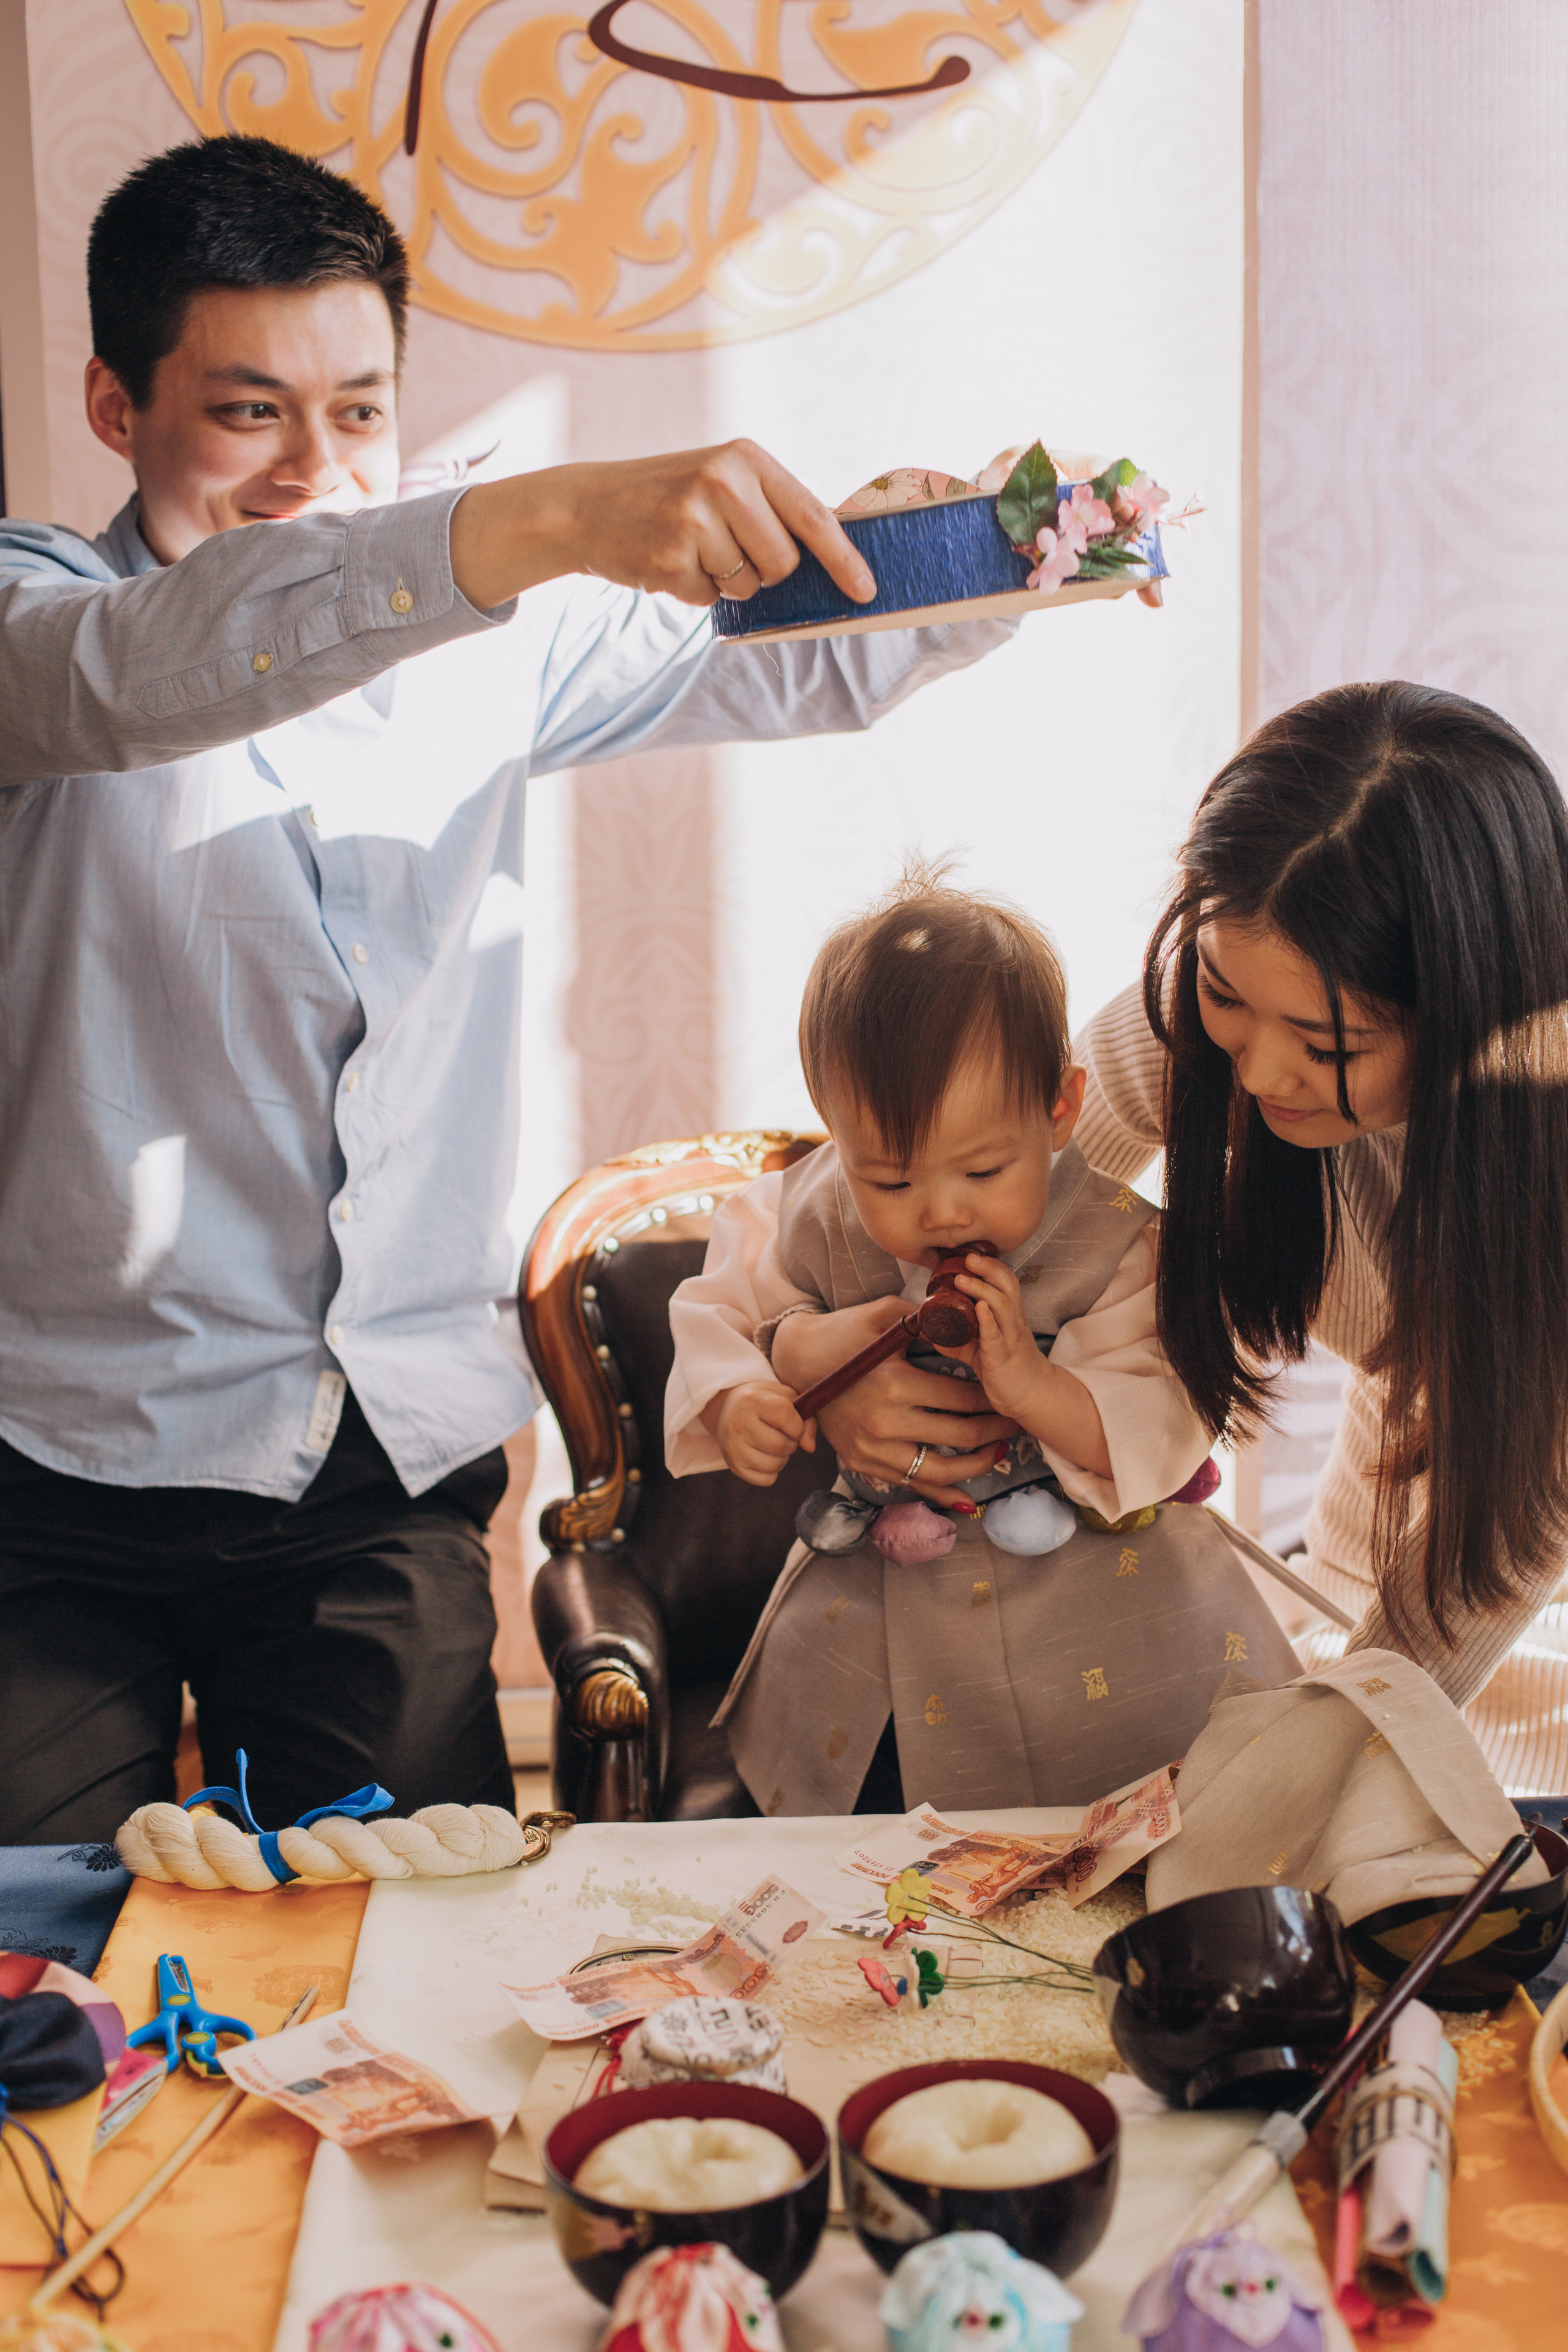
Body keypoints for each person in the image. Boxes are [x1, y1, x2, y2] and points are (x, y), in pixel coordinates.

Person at [0, 135, 1025, 1843]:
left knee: (408, 1955)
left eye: (358, 411)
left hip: (371, 1473)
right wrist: (538, 518)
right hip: (60, 1464)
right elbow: (145, 680)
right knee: (44, 1974)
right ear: (117, 407)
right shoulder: (43, 614)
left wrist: (1002, 552)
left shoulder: (494, 646)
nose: (314, 471)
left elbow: (791, 656)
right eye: (249, 411)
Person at [663, 872, 1297, 1816]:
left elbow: (1162, 1417)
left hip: (1102, 1619)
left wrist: (1035, 1385)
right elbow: (717, 1308)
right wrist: (742, 1395)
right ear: (835, 1125)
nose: (942, 1209)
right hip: (878, 1618)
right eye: (889, 1178)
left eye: (984, 1168)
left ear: (1060, 1108)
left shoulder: (1129, 1242)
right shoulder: (804, 1209)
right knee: (856, 1835)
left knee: (1141, 1827)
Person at [1072, 679, 1568, 1795]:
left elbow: (1509, 1533)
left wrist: (1335, 1743)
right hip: (1406, 1499)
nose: (1256, 1071)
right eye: (1224, 995)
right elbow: (1021, 1191)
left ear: (1466, 1003)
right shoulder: (1216, 1007)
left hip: (1503, 1534)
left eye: (1325, 1042)